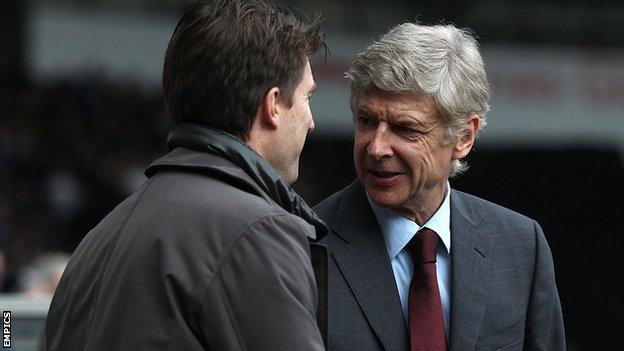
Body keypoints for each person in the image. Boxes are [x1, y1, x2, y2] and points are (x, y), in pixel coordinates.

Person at [46, 1, 327, 350]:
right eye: (307, 97)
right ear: (272, 105)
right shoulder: (257, 232)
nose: (312, 122)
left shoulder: (96, 240)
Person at [314, 23, 565, 351]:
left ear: (464, 137)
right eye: (367, 121)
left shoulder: (520, 246)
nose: (376, 148)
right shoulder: (307, 245)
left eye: (406, 129)